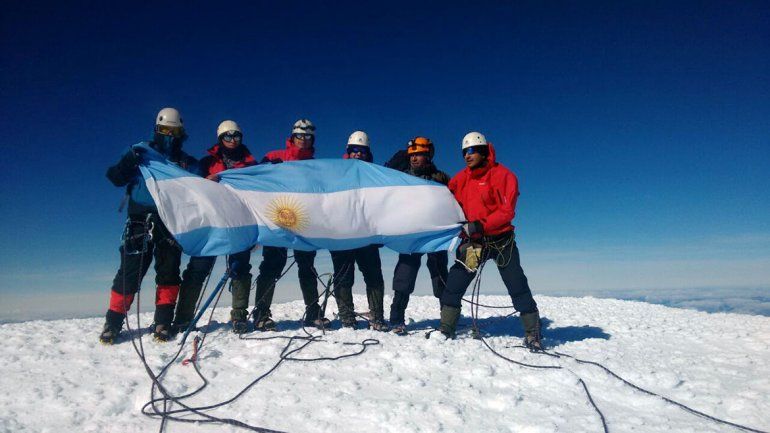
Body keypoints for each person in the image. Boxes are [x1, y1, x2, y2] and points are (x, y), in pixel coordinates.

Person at [99, 108, 197, 344]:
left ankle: (163, 321)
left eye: (174, 131)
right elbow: (115, 177)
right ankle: (113, 322)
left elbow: (203, 187)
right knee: (129, 273)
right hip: (139, 221)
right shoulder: (139, 152)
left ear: (181, 133)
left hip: (170, 222)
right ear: (156, 130)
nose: (169, 135)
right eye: (164, 130)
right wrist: (128, 162)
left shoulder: (187, 163)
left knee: (169, 272)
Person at [439, 132, 543, 350]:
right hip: (475, 244)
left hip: (501, 242)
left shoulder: (503, 176)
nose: (467, 156)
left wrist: (480, 225)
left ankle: (532, 332)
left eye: (472, 151)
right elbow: (446, 197)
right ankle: (446, 328)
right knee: (455, 282)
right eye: (464, 152)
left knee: (516, 283)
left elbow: (507, 211)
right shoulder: (461, 179)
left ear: (483, 151)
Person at [172, 120, 257, 335]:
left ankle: (239, 316)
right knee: (198, 269)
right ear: (220, 138)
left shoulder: (251, 165)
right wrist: (205, 182)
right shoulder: (206, 163)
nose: (232, 139)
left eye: (236, 135)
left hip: (240, 223)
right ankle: (183, 318)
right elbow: (191, 189)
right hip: (211, 224)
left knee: (240, 268)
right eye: (228, 136)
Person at [252, 119, 330, 330]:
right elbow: (253, 178)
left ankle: (313, 313)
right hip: (277, 219)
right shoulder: (274, 157)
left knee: (307, 267)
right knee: (271, 265)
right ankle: (261, 314)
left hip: (304, 222)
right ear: (292, 137)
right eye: (300, 136)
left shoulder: (316, 167)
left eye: (308, 136)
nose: (303, 140)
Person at [384, 136, 450, 335]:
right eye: (412, 155)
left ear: (428, 156)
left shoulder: (441, 178)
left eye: (419, 155)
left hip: (435, 234)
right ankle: (396, 318)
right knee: (405, 273)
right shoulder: (400, 177)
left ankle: (448, 318)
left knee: (440, 274)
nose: (414, 158)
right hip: (412, 233)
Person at [329, 131, 388, 330]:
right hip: (342, 234)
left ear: (367, 153)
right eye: (354, 150)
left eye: (362, 150)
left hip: (367, 235)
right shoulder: (336, 173)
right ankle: (347, 318)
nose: (358, 154)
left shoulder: (376, 175)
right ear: (348, 151)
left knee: (373, 276)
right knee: (343, 276)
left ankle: (377, 316)